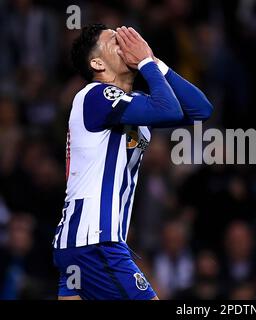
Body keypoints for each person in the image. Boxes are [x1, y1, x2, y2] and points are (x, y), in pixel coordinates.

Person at [52, 23, 212, 300]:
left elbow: (200, 110)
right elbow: (168, 108)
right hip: (95, 241)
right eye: (115, 41)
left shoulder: (132, 103)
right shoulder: (94, 95)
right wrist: (146, 62)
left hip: (79, 244)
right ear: (97, 63)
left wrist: (157, 65)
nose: (126, 43)